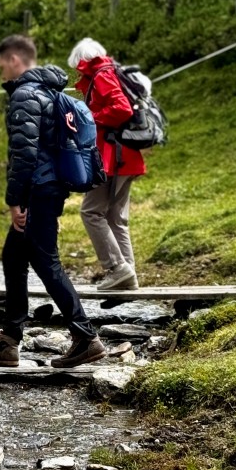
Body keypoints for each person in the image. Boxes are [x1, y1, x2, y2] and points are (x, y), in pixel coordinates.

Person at [0, 34, 105, 369]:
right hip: (49, 187)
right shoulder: (48, 90)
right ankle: (9, 341)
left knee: (46, 261)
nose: (1, 72)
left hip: (37, 191)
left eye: (2, 65)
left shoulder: (25, 95)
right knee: (14, 256)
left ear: (14, 59)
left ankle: (86, 337)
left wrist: (16, 200)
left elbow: (24, 154)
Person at [69, 37, 145, 291]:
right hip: (127, 156)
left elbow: (122, 109)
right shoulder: (111, 71)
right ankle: (128, 275)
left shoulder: (102, 75)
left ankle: (117, 268)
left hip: (112, 157)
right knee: (115, 217)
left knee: (90, 211)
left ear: (81, 61)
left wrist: (89, 117)